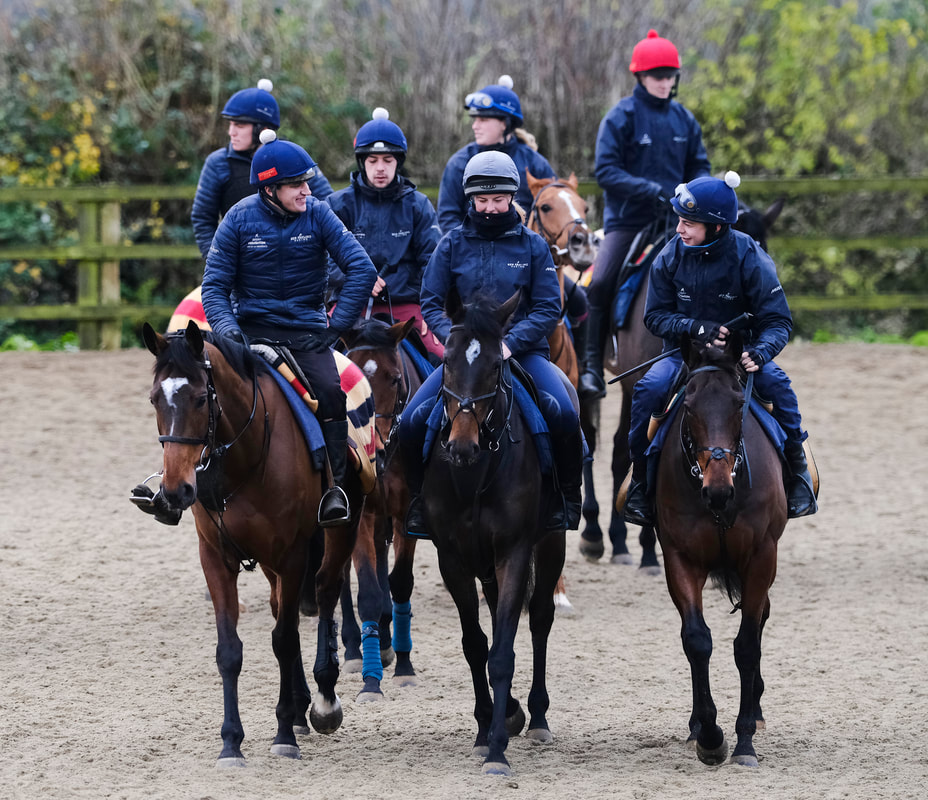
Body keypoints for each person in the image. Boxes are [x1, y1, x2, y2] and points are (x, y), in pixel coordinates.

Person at [399, 151, 585, 536]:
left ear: (511, 197)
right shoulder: (450, 244)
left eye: (498, 200)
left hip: (521, 353)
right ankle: (419, 502)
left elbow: (549, 305)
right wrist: (454, 336)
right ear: (471, 199)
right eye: (481, 201)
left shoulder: (533, 246)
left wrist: (511, 343)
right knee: (411, 423)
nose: (489, 208)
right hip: (465, 359)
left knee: (564, 414)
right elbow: (431, 302)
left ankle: (565, 499)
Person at [198, 130, 376, 526]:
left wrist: (335, 327)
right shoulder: (238, 220)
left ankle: (335, 488)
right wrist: (228, 332)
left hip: (307, 334)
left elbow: (362, 269)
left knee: (331, 393)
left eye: (306, 182)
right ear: (270, 188)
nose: (306, 190)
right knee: (198, 389)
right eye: (296, 184)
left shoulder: (319, 213)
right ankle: (186, 481)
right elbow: (214, 287)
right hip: (248, 333)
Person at [623, 172, 818, 525]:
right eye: (680, 221)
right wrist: (693, 327)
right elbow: (654, 317)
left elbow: (778, 321)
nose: (680, 229)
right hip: (682, 356)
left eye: (689, 223)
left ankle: (799, 474)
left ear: (715, 227)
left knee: (780, 387)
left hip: (740, 358)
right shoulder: (669, 256)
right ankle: (640, 480)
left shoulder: (751, 257)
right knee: (648, 388)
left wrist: (759, 353)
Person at [579, 30, 711, 400]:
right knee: (601, 281)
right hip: (630, 221)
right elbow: (606, 171)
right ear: (640, 76)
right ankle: (591, 365)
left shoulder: (685, 120)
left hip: (679, 219)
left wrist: (695, 193)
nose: (665, 82)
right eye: (658, 76)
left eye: (670, 76)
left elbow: (700, 165)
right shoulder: (620, 117)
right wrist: (650, 191)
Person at [326, 107, 443, 358]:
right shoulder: (337, 204)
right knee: (316, 354)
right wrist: (357, 279)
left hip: (406, 306)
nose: (380, 168)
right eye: (373, 161)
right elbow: (324, 260)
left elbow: (432, 263)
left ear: (397, 162)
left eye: (388, 160)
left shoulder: (419, 205)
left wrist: (431, 311)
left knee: (441, 355)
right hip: (350, 303)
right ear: (362, 162)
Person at [190, 78, 334, 260]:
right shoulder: (218, 162)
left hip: (293, 262)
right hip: (241, 264)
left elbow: (329, 206)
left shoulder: (293, 158)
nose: (231, 132)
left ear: (262, 129)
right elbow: (203, 218)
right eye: (231, 124)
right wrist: (218, 262)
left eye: (239, 125)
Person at [437, 74, 557, 233]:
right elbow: (447, 217)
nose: (475, 126)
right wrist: (466, 250)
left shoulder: (536, 164)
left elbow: (554, 212)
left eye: (483, 120)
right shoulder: (459, 163)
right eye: (474, 119)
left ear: (505, 123)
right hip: (472, 253)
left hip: (522, 253)